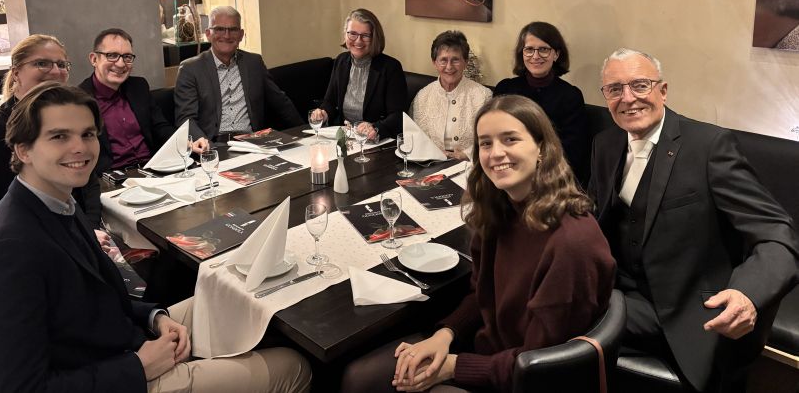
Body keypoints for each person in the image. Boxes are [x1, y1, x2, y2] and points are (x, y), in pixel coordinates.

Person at [0, 82, 312, 393]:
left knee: (247, 299)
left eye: (87, 134)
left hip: (121, 339)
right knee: (293, 367)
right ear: (23, 150)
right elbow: (20, 387)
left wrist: (155, 317)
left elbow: (105, 294)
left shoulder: (59, 202)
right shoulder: (5, 252)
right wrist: (139, 367)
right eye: (59, 136)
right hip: (119, 373)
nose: (80, 148)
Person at [342, 95, 615, 393]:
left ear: (541, 148)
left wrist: (454, 367)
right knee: (358, 377)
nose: (496, 153)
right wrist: (445, 333)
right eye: (486, 143)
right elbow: (482, 294)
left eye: (510, 139)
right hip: (487, 354)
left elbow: (541, 363)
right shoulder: (501, 209)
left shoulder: (571, 243)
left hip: (521, 380)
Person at [590, 48, 799, 392]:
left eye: (640, 85)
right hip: (619, 286)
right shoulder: (606, 142)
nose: (628, 99)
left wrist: (748, 293)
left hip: (683, 306)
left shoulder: (709, 147)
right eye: (615, 89)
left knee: (561, 315)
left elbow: (778, 234)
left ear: (663, 90)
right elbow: (595, 213)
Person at [0, 34, 102, 235]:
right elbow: (2, 213)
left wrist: (90, 229)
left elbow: (89, 181)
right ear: (16, 72)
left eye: (61, 64)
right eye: (42, 63)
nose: (56, 71)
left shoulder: (69, 118)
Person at [175, 6, 302, 149]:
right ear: (208, 34)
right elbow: (186, 119)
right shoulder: (190, 69)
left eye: (233, 29)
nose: (227, 36)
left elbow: (280, 102)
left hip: (254, 143)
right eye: (219, 29)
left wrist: (305, 132)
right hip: (214, 145)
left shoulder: (254, 63)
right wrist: (203, 143)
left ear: (241, 35)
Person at [493, 21, 589, 184]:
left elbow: (572, 153)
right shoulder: (505, 89)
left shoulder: (570, 96)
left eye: (544, 49)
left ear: (556, 54)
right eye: (529, 49)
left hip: (550, 178)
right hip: (505, 171)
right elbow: (493, 135)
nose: (536, 56)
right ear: (522, 54)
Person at [79, 28, 175, 173]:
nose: (120, 64)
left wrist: (186, 143)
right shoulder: (79, 100)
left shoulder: (139, 86)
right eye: (112, 55)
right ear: (94, 59)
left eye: (127, 57)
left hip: (152, 170)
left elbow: (160, 127)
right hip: (111, 180)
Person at [313, 8, 407, 140]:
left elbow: (398, 116)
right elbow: (330, 102)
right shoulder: (341, 61)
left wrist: (375, 128)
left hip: (374, 142)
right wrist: (323, 113)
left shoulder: (391, 68)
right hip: (345, 139)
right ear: (346, 34)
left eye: (365, 35)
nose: (358, 41)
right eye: (353, 34)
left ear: (375, 37)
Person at [409, 31, 491, 160]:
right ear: (434, 62)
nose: (449, 66)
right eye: (443, 60)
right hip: (430, 165)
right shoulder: (423, 96)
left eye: (455, 60)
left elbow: (490, 140)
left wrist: (467, 155)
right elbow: (414, 137)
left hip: (469, 166)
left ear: (465, 62)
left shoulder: (483, 96)